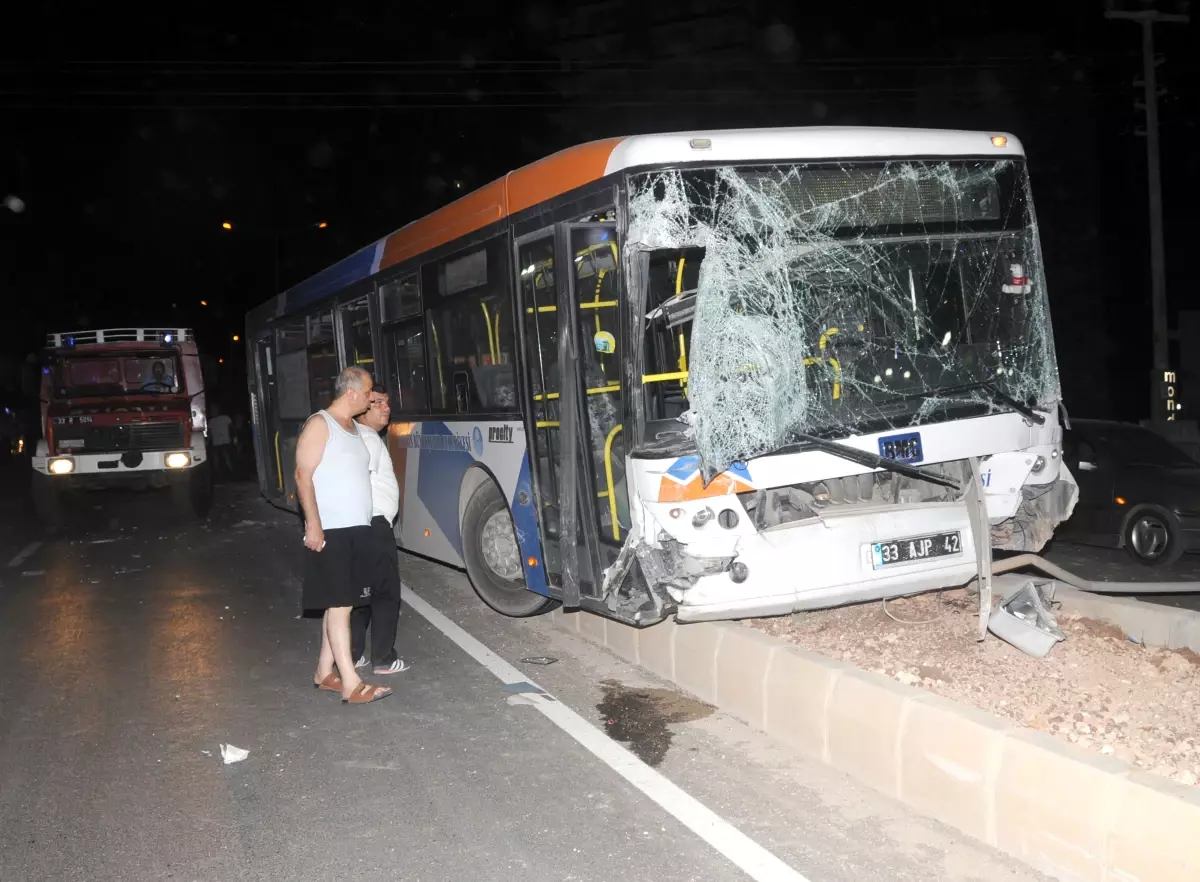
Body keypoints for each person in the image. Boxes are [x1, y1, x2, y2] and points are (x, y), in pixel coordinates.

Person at [294, 366, 392, 705]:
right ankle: (350, 682)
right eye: (367, 393)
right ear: (351, 392)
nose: (370, 399)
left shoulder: (352, 428)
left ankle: (324, 672)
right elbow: (302, 475)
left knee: (343, 602)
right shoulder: (321, 424)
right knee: (339, 605)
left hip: (357, 528)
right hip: (332, 529)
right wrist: (313, 524)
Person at [350, 390, 410, 675]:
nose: (387, 408)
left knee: (361, 594)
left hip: (359, 526)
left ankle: (353, 653)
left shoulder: (354, 436)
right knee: (385, 595)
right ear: (362, 408)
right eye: (378, 403)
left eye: (387, 402)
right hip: (373, 525)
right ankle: (384, 659)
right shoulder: (368, 439)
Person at [208, 405, 235, 479]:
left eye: (214, 410)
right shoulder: (211, 421)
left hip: (225, 441)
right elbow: (209, 433)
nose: (213, 412)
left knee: (227, 457)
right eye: (212, 410)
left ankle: (232, 472)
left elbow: (232, 428)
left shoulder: (225, 418)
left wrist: (234, 437)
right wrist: (208, 442)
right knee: (215, 458)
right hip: (216, 443)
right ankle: (218, 475)